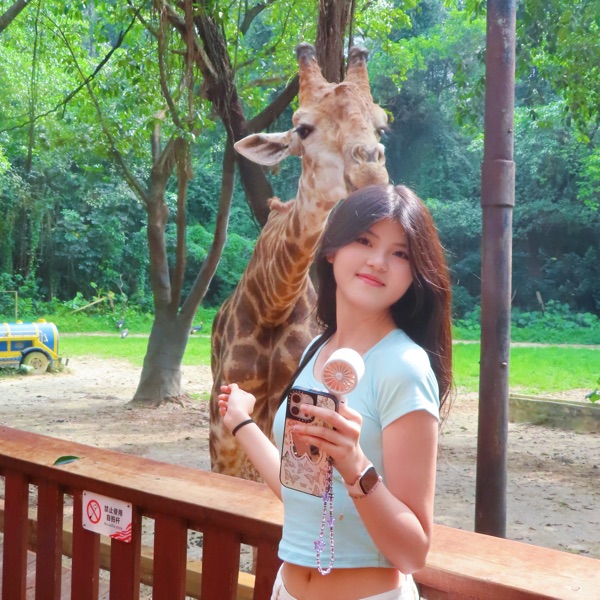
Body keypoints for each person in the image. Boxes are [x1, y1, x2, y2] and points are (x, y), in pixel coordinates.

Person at [218, 184, 453, 600]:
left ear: (415, 272)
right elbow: (300, 489)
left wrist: (355, 464)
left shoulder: (404, 367)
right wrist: (241, 422)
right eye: (364, 241)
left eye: (400, 253)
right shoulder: (316, 350)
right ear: (332, 250)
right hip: (287, 589)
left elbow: (413, 552)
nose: (378, 261)